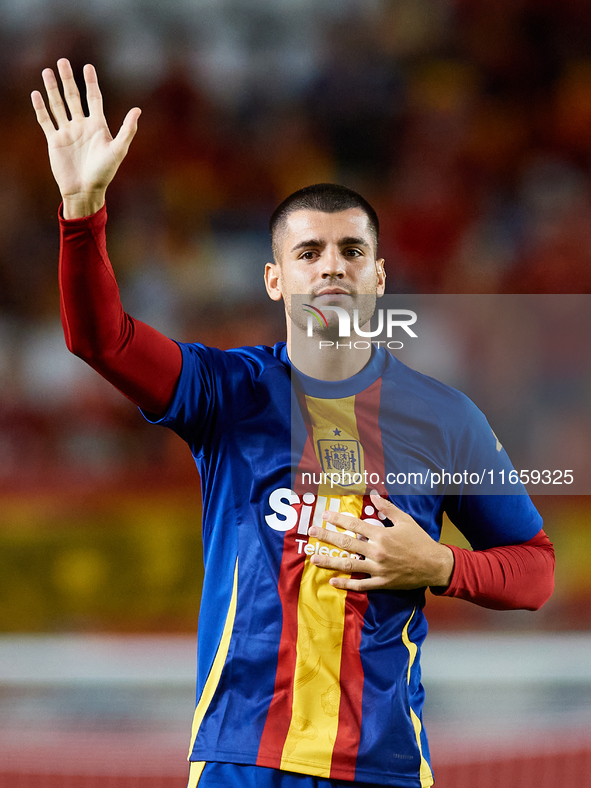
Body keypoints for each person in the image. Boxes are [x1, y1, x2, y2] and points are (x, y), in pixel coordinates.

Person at [32, 60, 555, 788]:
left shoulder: (444, 418)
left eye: (351, 251)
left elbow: (533, 570)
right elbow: (101, 339)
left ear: (378, 274)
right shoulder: (226, 392)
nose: (331, 268)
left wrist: (440, 565)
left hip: (384, 766)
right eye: (307, 252)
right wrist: (82, 211)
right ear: (276, 278)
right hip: (240, 761)